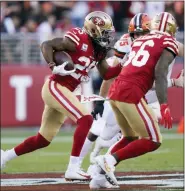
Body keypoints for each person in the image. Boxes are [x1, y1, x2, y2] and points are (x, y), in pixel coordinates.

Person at [1, 11, 122, 182]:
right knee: (85, 118)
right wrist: (52, 65)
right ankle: (73, 168)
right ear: (93, 30)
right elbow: (47, 44)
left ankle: (4, 157)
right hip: (55, 86)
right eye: (105, 32)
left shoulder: (99, 51)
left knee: (42, 139)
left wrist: (125, 64)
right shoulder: (79, 39)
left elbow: (107, 74)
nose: (108, 37)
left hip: (65, 90)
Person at [89, 12, 182, 188]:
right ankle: (109, 160)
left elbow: (120, 68)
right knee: (153, 139)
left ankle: (98, 178)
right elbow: (160, 73)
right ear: (171, 29)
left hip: (116, 90)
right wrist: (164, 105)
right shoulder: (169, 42)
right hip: (131, 92)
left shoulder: (139, 40)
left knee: (130, 136)